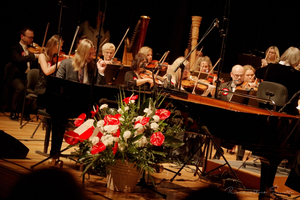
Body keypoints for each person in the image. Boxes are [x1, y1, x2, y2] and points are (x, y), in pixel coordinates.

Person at [5, 27, 40, 120]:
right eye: (30, 37)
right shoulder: (14, 48)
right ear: (22, 36)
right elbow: (19, 59)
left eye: (33, 38)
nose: (32, 40)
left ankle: (26, 112)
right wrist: (34, 56)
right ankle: (13, 112)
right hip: (16, 77)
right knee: (21, 88)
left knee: (38, 88)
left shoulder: (32, 49)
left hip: (27, 78)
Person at [255, 46, 300, 115]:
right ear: (297, 60)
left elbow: (257, 73)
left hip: (264, 107)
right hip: (285, 111)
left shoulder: (270, 67)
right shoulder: (296, 74)